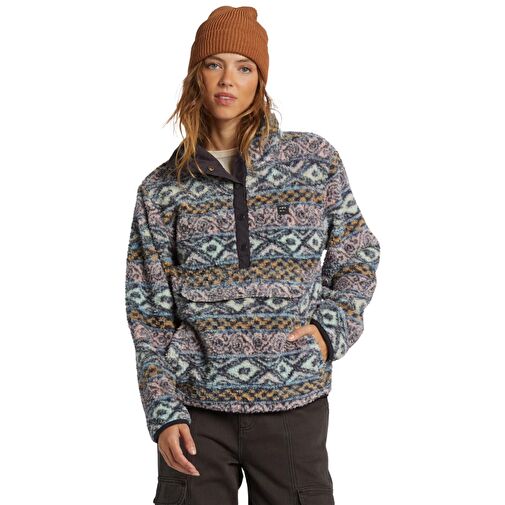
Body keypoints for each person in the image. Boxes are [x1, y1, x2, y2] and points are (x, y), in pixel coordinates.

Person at [125, 6, 381, 505]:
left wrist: (330, 329)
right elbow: (148, 313)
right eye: (213, 64)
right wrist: (163, 411)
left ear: (260, 81)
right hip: (196, 413)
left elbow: (357, 254)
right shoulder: (160, 190)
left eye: (244, 67)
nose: (227, 80)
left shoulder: (313, 160)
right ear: (195, 77)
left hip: (293, 404)